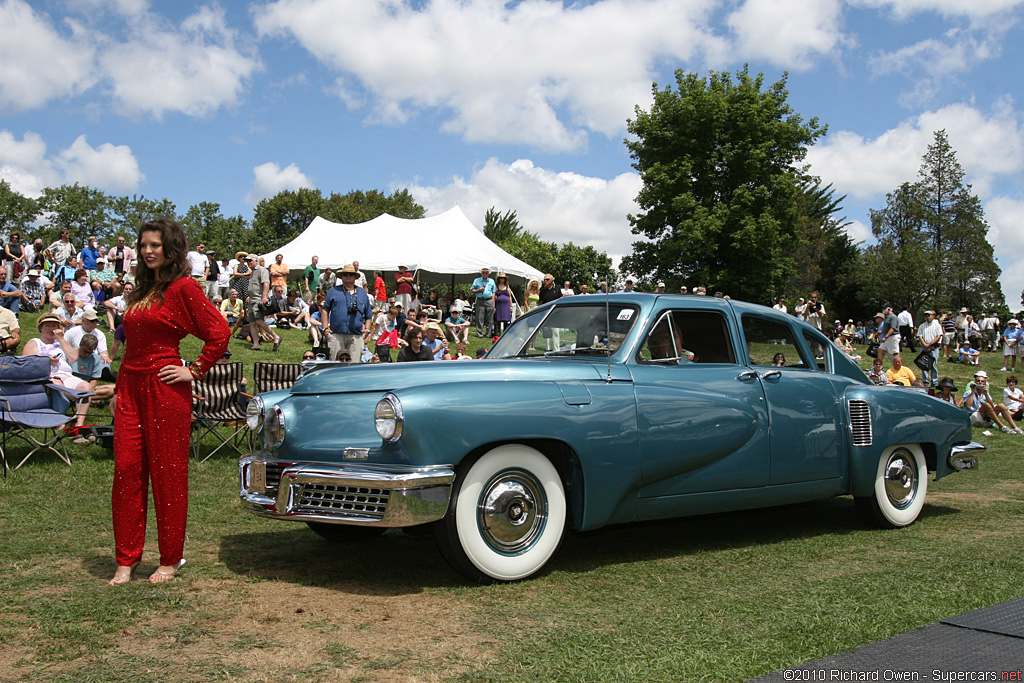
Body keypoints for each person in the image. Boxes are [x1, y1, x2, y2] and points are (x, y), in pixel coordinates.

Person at [109, 218, 230, 585]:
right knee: (127, 471)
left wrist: (192, 370)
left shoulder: (182, 288)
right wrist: (117, 389)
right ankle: (126, 560)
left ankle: (170, 558)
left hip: (165, 389)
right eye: (144, 245)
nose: (148, 251)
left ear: (171, 248)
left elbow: (219, 333)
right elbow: (130, 345)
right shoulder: (140, 290)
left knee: (167, 474)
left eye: (155, 245)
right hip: (130, 386)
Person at [322, 263, 373, 363]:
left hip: (356, 335)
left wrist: (367, 329)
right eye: (345, 275)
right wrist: (325, 328)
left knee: (354, 366)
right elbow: (325, 309)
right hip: (336, 333)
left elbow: (369, 314)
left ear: (355, 277)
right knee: (335, 364)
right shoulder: (334, 291)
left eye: (350, 274)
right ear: (341, 277)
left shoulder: (362, 293)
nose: (348, 277)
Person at [246, 254, 281, 351]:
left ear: (256, 261)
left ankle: (275, 336)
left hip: (258, 299)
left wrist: (264, 296)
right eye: (247, 261)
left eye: (250, 261)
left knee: (258, 320)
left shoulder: (262, 270)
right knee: (252, 322)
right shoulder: (252, 272)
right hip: (252, 300)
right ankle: (256, 344)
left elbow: (266, 283)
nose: (248, 263)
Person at [916, 309, 942, 387]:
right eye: (926, 316)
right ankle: (925, 380)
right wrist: (924, 344)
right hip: (924, 347)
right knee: (924, 364)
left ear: (933, 316)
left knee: (933, 365)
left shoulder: (937, 325)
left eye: (929, 315)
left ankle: (934, 381)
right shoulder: (922, 325)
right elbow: (919, 336)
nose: (927, 317)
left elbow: (939, 335)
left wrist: (930, 344)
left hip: (934, 347)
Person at [470, 267, 496, 337]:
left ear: (488, 274)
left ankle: (488, 334)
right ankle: (480, 334)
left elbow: (494, 292)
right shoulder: (477, 280)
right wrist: (478, 290)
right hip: (480, 300)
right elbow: (471, 290)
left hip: (489, 300)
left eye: (486, 273)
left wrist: (493, 302)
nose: (484, 274)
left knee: (490, 319)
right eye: (483, 273)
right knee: (479, 318)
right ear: (481, 273)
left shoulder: (491, 281)